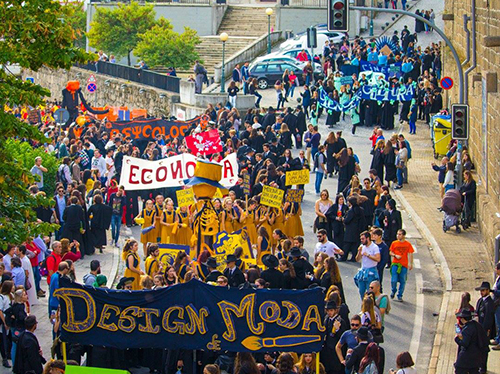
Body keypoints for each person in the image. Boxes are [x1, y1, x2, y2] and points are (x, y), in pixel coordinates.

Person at [454, 308, 485, 374]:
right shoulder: (476, 325)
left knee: (459, 370)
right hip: (476, 356)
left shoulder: (467, 329)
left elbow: (465, 343)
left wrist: (457, 339)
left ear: (463, 319)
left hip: (466, 358)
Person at [321, 300, 347, 374]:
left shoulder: (340, 321)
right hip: (327, 352)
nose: (329, 312)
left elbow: (343, 337)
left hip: (335, 352)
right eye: (328, 310)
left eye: (331, 310)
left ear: (335, 310)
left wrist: (338, 329)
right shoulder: (326, 319)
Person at [474, 281, 495, 373]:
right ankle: (479, 365)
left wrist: (484, 331)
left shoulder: (489, 303)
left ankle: (483, 367)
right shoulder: (481, 301)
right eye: (481, 291)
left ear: (487, 291)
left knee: (483, 349)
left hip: (484, 330)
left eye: (483, 290)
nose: (481, 292)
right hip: (479, 328)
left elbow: (488, 319)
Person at [354, 231, 381, 299]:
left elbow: (378, 259)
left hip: (371, 272)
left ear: (368, 238)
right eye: (361, 239)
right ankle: (364, 305)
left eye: (363, 239)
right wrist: (359, 252)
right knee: (361, 291)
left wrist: (368, 255)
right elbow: (357, 259)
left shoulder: (374, 247)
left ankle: (371, 305)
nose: (361, 240)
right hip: (362, 272)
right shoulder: (362, 246)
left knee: (370, 292)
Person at [389, 229, 414, 301]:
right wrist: (395, 255)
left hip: (404, 265)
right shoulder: (394, 243)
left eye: (400, 234)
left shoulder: (408, 244)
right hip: (395, 264)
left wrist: (410, 263)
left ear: (403, 235)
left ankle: (400, 295)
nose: (398, 235)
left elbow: (410, 253)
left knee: (403, 281)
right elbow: (390, 252)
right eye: (397, 234)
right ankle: (393, 290)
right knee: (394, 280)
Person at [492, 262, 500, 350]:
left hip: (499, 304)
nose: (496, 270)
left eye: (497, 269)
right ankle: (497, 339)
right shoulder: (498, 278)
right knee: (497, 323)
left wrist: (494, 291)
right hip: (496, 303)